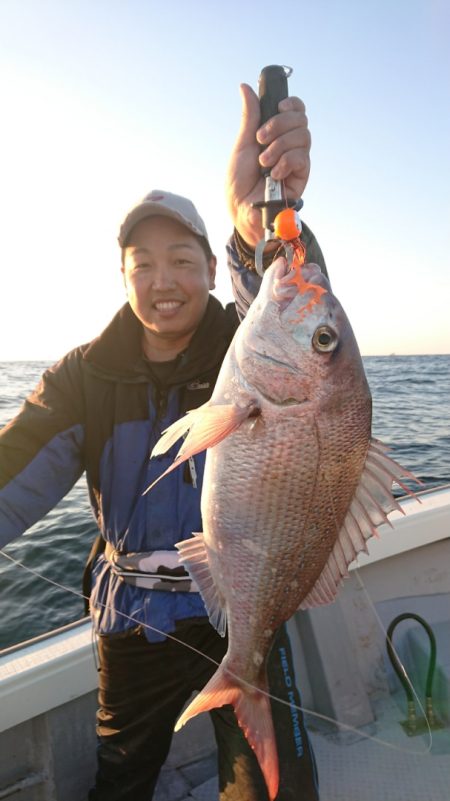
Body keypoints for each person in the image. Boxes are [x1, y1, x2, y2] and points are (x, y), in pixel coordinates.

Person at [0, 82, 327, 800]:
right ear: (122, 278)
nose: (163, 280)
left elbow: (297, 311)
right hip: (134, 625)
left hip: (248, 609)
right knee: (121, 780)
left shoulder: (247, 355)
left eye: (182, 259)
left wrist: (261, 227)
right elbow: (11, 473)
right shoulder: (84, 377)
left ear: (213, 271)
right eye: (141, 264)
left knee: (277, 790)